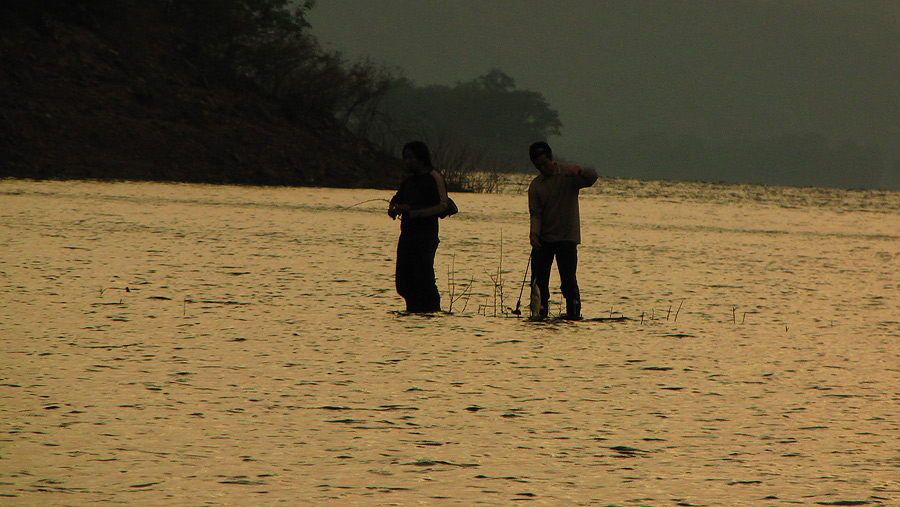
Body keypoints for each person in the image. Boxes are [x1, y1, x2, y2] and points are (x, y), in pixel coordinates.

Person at [527, 141, 598, 320]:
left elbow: (592, 177)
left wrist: (580, 170)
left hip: (567, 239)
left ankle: (574, 314)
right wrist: (534, 234)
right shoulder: (536, 186)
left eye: (544, 164)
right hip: (544, 241)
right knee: (538, 283)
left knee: (568, 282)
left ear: (551, 158)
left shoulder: (569, 174)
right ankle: (540, 314)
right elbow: (536, 214)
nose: (543, 168)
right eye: (538, 166)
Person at [388, 141, 449, 313]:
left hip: (425, 238)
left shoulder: (434, 177)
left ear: (421, 158)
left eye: (410, 157)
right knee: (403, 283)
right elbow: (397, 199)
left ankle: (431, 312)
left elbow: (443, 206)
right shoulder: (408, 181)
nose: (406, 161)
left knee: (424, 280)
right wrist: (393, 208)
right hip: (407, 236)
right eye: (404, 157)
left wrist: (414, 212)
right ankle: (413, 312)